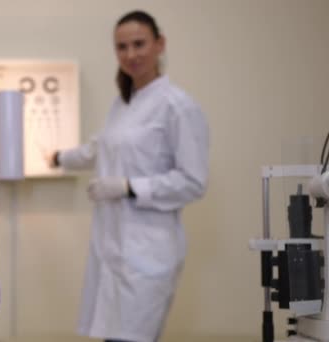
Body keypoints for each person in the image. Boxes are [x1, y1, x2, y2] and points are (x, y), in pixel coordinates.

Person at [49, 10, 209, 342]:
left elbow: (193, 181)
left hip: (148, 253)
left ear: (159, 44)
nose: (131, 54)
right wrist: (57, 157)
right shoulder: (123, 104)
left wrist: (127, 187)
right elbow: (102, 146)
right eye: (122, 47)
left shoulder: (177, 106)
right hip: (112, 247)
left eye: (139, 44)